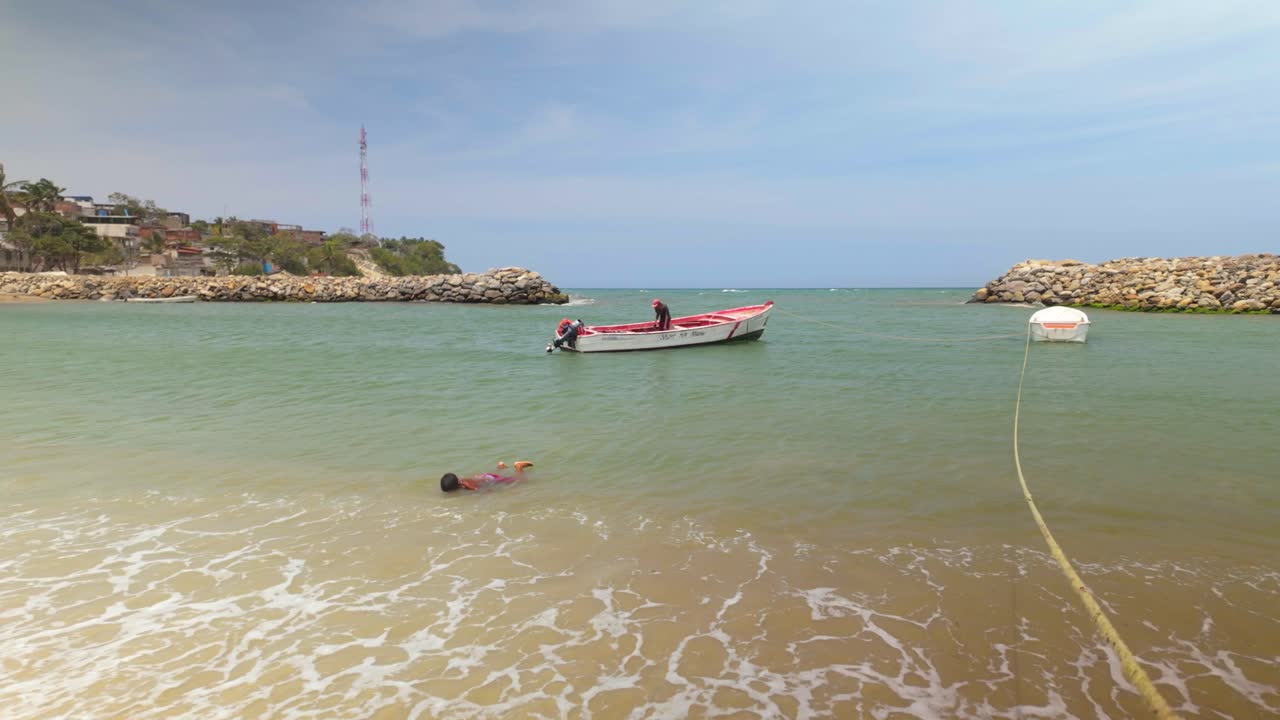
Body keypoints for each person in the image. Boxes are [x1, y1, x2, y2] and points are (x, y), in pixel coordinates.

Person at [440, 461, 534, 492]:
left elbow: (478, 489)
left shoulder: (465, 484)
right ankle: (501, 466)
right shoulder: (461, 482)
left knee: (520, 480)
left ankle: (519, 467)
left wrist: (492, 492)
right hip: (484, 477)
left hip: (489, 479)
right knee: (501, 476)